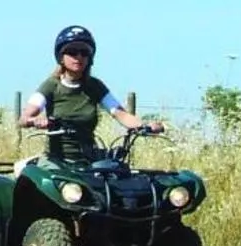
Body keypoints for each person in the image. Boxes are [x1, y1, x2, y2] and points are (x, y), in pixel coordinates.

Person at [18, 26, 163, 159]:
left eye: (84, 52)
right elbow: (24, 118)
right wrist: (35, 121)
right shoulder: (51, 85)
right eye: (72, 52)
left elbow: (120, 114)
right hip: (57, 162)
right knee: (72, 189)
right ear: (61, 57)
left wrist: (145, 126)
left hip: (90, 161)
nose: (79, 57)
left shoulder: (95, 86)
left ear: (90, 58)